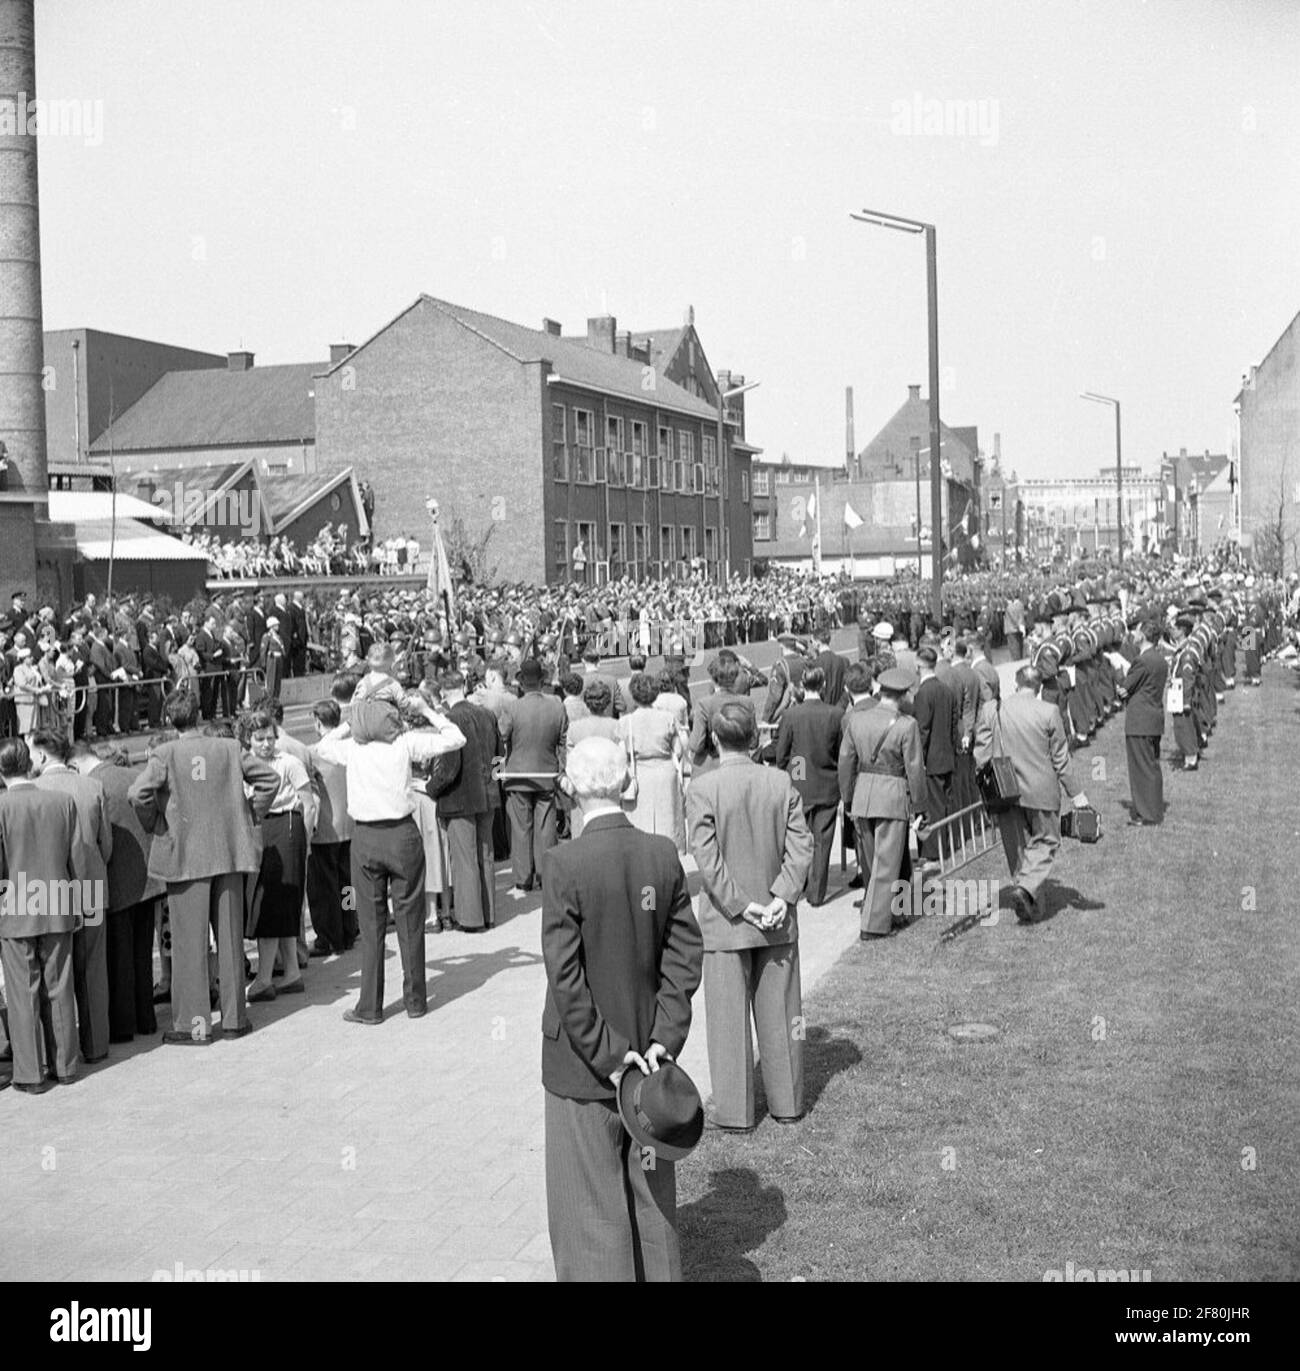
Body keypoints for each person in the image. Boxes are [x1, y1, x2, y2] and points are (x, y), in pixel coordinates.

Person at [540, 736, 703, 1282]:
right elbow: (685, 951)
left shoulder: (564, 863)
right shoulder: (661, 853)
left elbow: (565, 977)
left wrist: (609, 1055)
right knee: (653, 1202)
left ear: (570, 787)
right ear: (627, 783)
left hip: (585, 1068)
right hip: (651, 1061)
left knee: (589, 1210)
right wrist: (665, 1035)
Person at [686, 701, 813, 1131]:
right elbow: (803, 846)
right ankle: (788, 1102)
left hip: (728, 922)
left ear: (716, 741)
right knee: (781, 1014)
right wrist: (782, 896)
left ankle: (736, 1113)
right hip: (776, 919)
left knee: (726, 1022)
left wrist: (744, 905)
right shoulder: (780, 782)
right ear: (755, 739)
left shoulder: (702, 789)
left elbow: (707, 860)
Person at [129, 689, 280, 1043]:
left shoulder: (164, 753)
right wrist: (248, 815)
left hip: (185, 856)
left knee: (189, 943)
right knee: (229, 938)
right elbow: (269, 780)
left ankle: (194, 1025)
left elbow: (138, 794)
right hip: (227, 851)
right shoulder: (228, 748)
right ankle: (234, 1020)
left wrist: (156, 825)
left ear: (169, 719)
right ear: (199, 714)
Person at [315, 687, 464, 1023]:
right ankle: (415, 1000)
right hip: (403, 835)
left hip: (365, 837)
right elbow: (455, 738)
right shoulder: (406, 743)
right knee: (411, 920)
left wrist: (349, 719)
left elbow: (323, 746)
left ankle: (370, 1005)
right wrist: (427, 709)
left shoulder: (353, 748)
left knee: (370, 925)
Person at [974, 665, 1090, 922]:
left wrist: (985, 785)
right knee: (1047, 840)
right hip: (1041, 791)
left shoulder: (991, 709)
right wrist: (1077, 794)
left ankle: (1029, 902)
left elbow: (981, 754)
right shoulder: (1049, 712)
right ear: (1038, 688)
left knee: (1017, 848)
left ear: (1016, 685)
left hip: (1004, 789)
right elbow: (1061, 759)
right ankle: (1027, 891)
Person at [0, 738, 81, 1093]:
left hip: (15, 907)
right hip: (57, 901)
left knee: (22, 991)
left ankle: (31, 1073)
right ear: (29, 763)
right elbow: (76, 857)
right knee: (59, 986)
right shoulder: (61, 801)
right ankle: (65, 1066)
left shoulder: (2, 807)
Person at [30, 729, 113, 1064]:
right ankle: (97, 1045)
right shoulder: (92, 786)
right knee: (92, 967)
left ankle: (60, 1050)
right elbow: (105, 844)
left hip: (50, 891)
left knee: (55, 971)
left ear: (40, 754)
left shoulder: (34, 790)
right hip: (91, 884)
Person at [71, 741, 161, 1044]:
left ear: (76, 764)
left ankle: (123, 1026)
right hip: (146, 878)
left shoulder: (93, 785)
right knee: (142, 953)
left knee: (119, 957)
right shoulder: (131, 774)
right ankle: (146, 1018)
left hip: (116, 881)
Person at [838, 667, 928, 939]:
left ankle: (892, 912)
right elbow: (914, 769)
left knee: (871, 861)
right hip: (892, 795)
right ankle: (874, 926)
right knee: (886, 865)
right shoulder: (906, 724)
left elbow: (845, 763)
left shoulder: (856, 720)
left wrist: (848, 797)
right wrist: (920, 807)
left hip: (863, 794)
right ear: (901, 696)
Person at [242, 710, 317, 1003]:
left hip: (285, 826)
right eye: (258, 739)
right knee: (280, 904)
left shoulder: (289, 762)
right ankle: (292, 972)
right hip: (263, 829)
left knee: (273, 903)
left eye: (270, 738)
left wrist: (305, 841)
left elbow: (308, 804)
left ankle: (264, 978)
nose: (265, 744)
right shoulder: (245, 765)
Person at [434, 670, 500, 932]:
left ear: (442, 692)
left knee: (464, 858)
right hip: (488, 792)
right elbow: (499, 756)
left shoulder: (450, 719)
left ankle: (471, 918)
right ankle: (489, 912)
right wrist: (495, 783)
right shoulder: (486, 714)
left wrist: (430, 788)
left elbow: (449, 768)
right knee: (486, 854)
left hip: (460, 796)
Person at [775, 665, 842, 907]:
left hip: (800, 780)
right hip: (826, 782)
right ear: (823, 685)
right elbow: (839, 752)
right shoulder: (835, 714)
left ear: (803, 687)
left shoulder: (792, 715)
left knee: (798, 838)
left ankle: (799, 882)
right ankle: (816, 892)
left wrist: (790, 770)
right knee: (822, 841)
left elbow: (783, 752)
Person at [499, 657, 566, 895]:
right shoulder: (556, 704)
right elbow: (562, 739)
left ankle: (523, 877)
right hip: (546, 772)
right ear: (541, 680)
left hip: (519, 773)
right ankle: (544, 874)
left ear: (521, 682)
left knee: (520, 828)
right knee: (546, 826)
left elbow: (503, 734)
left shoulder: (513, 707)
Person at [306, 699, 357, 956]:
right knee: (347, 883)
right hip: (349, 823)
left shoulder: (314, 752)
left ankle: (329, 935)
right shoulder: (350, 747)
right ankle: (350, 927)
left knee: (325, 888)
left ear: (317, 722)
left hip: (325, 828)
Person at [621, 672, 686, 853]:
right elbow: (679, 750)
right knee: (669, 825)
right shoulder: (667, 718)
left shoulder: (627, 722)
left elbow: (621, 755)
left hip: (640, 774)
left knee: (641, 825)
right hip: (665, 773)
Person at [1118, 617, 1167, 827]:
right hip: (1154, 717)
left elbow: (1124, 688)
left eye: (1137, 631)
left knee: (1140, 768)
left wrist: (1118, 677)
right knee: (1152, 766)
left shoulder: (1142, 660)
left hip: (1139, 720)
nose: (1133, 635)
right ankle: (1153, 809)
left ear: (1144, 635)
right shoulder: (1159, 659)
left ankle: (1147, 813)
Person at [913, 646, 959, 861]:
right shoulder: (945, 689)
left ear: (920, 666)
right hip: (946, 755)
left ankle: (932, 852)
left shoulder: (924, 693)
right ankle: (944, 846)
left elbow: (922, 729)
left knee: (932, 807)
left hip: (931, 759)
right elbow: (952, 725)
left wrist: (916, 759)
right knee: (944, 805)